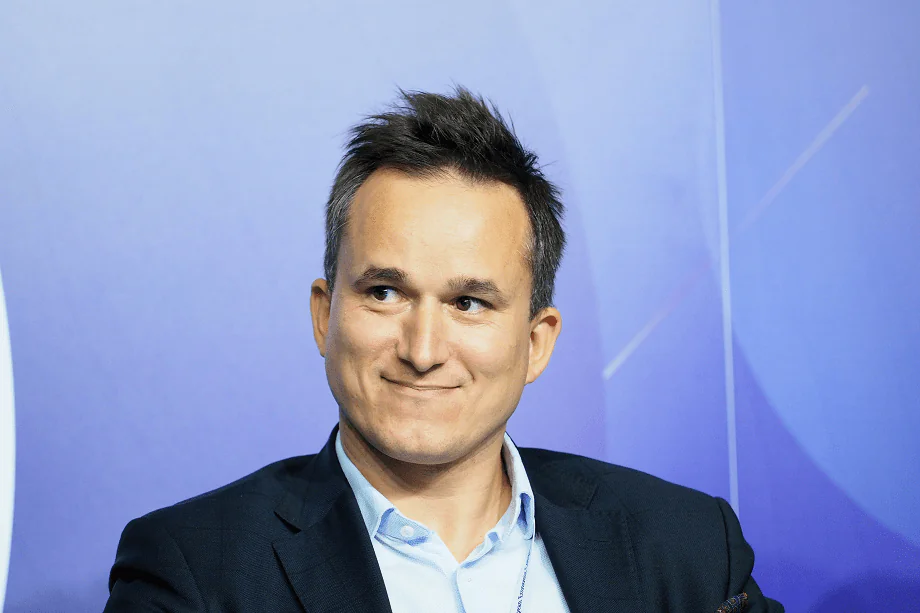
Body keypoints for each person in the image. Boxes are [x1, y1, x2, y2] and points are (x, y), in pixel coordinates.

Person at [103, 87, 783, 613]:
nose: (423, 349)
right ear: (324, 315)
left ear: (536, 342)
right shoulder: (195, 571)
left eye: (469, 303)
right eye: (385, 292)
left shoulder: (688, 548)